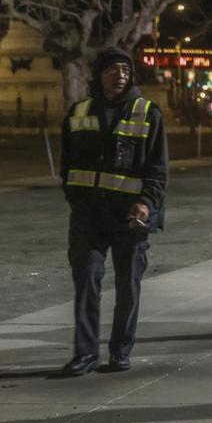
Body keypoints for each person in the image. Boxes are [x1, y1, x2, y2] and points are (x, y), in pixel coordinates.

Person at [59, 47, 168, 376]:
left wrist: (146, 203)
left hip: (129, 218)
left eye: (125, 69)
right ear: (99, 74)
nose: (121, 74)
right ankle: (85, 354)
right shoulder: (79, 112)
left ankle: (120, 350)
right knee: (87, 281)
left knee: (127, 285)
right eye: (113, 69)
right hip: (89, 217)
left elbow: (158, 169)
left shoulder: (147, 112)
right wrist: (75, 197)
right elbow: (68, 165)